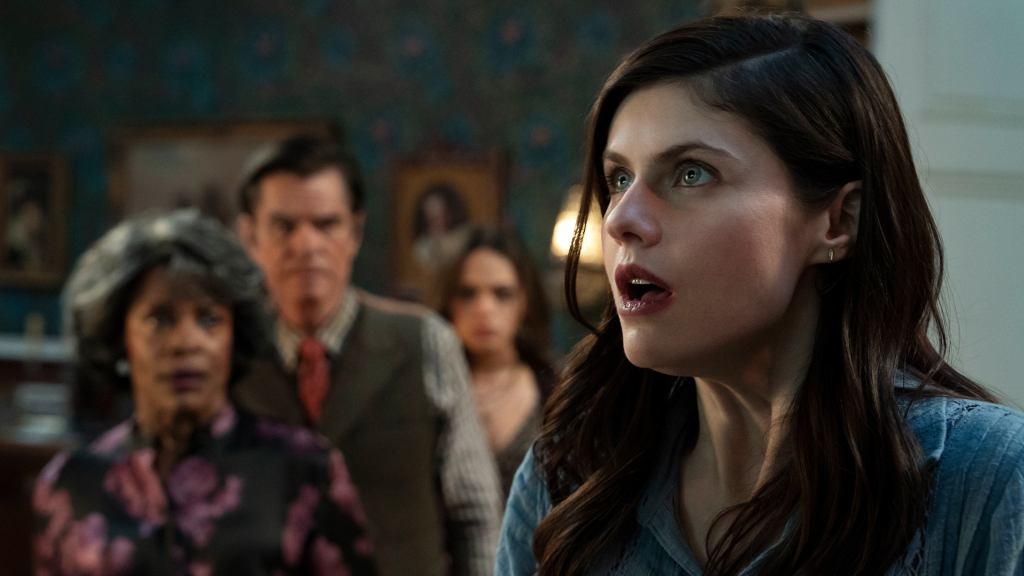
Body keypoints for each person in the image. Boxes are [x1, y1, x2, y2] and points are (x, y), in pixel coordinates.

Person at [496, 14, 1024, 576]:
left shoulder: (988, 483)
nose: (621, 220)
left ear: (838, 221)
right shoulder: (567, 478)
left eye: (692, 173)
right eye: (620, 179)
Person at [33, 210, 377, 575]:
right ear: (120, 336)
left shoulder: (304, 470)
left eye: (209, 319)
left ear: (234, 335)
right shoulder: (70, 484)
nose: (186, 342)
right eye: (159, 319)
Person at [233, 134, 503, 576]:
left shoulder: (424, 341)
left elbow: (475, 512)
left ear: (355, 232)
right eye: (284, 226)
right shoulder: (232, 358)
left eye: (326, 224)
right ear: (250, 237)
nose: (306, 245)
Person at [433, 227, 556, 496]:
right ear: (448, 302)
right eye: (467, 293)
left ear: (524, 302)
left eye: (502, 294)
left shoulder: (557, 390)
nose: (484, 309)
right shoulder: (429, 390)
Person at [412, 183, 472, 274]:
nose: (438, 222)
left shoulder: (462, 236)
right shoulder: (422, 246)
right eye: (432, 219)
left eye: (440, 216)